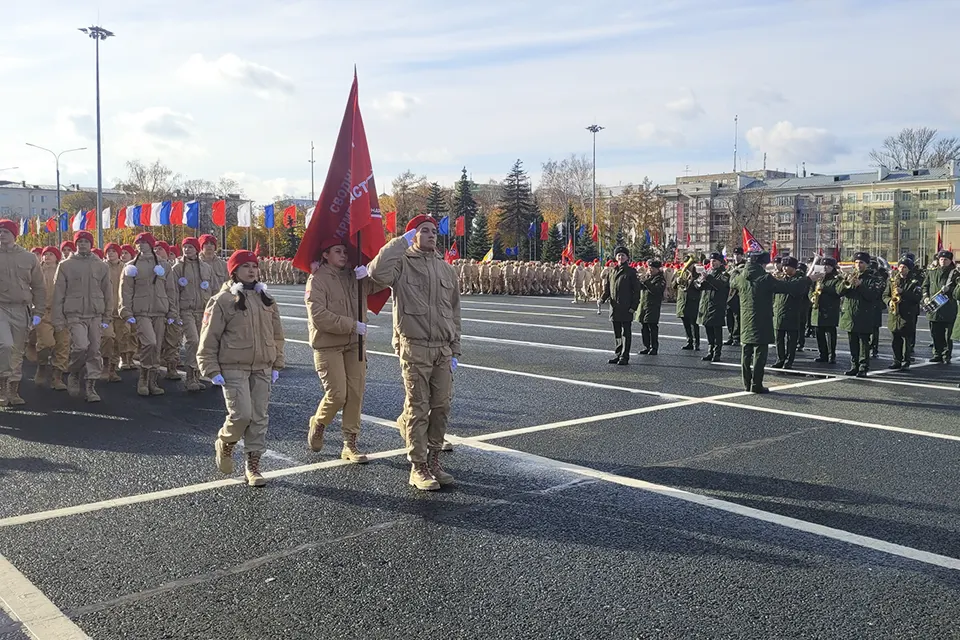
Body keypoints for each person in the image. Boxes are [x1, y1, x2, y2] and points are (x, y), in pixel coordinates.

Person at [368, 215, 461, 491]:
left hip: (442, 349)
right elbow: (376, 273)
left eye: (433, 231)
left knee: (441, 406)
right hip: (415, 345)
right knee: (419, 407)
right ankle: (417, 466)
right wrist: (400, 243)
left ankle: (433, 459)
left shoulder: (446, 270)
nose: (432, 235)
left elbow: (454, 312)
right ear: (412, 235)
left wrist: (455, 349)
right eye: (424, 231)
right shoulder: (401, 264)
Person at [198, 250, 285, 487]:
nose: (251, 270)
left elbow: (277, 335)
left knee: (259, 417)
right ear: (234, 270)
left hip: (262, 367)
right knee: (241, 414)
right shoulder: (222, 300)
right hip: (233, 366)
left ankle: (253, 466)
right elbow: (209, 337)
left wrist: (277, 362)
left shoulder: (266, 298)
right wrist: (210, 368)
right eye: (245, 266)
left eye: (254, 266)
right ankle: (226, 442)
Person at [305, 239, 387, 462]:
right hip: (328, 344)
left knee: (355, 393)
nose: (343, 255)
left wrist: (368, 274)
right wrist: (351, 324)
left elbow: (381, 283)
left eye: (344, 251)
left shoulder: (354, 276)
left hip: (354, 344)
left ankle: (350, 444)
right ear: (325, 255)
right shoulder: (318, 279)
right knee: (337, 394)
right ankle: (320, 422)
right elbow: (318, 316)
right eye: (337, 251)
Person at [51, 230, 113, 402]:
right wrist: (57, 320)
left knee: (94, 350)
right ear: (75, 244)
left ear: (91, 244)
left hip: (95, 314)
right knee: (80, 346)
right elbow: (58, 295)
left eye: (86, 241)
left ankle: (90, 387)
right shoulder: (65, 265)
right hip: (75, 314)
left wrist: (107, 316)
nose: (83, 244)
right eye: (80, 242)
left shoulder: (101, 265)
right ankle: (74, 372)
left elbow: (108, 293)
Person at [119, 232, 178, 396]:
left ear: (151, 244)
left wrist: (173, 311)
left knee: (157, 346)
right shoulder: (131, 266)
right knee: (149, 343)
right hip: (141, 311)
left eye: (144, 242)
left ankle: (153, 381)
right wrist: (126, 310)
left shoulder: (164, 266)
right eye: (138, 242)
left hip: (160, 311)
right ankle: (143, 378)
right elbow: (125, 291)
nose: (141, 245)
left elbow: (171, 291)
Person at [730, 251, 792, 393]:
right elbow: (786, 287)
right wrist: (807, 280)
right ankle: (756, 384)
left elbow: (731, 281)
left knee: (746, 353)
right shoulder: (765, 278)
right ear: (763, 264)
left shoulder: (740, 278)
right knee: (759, 354)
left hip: (745, 321)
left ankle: (746, 384)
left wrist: (736, 270)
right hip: (762, 321)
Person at [0, 220, 45, 406]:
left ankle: (13, 390)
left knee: (18, 351)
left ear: (14, 234)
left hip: (22, 309)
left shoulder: (29, 257)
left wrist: (38, 311)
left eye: (5, 231)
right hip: (1, 307)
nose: (1, 234)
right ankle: (2, 385)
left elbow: (39, 286)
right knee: (5, 345)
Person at [171, 237, 214, 392]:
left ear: (197, 249)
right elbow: (173, 292)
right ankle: (190, 377)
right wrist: (175, 313)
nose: (187, 249)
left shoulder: (206, 267)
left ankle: (196, 375)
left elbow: (212, 289)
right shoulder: (177, 268)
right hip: (186, 310)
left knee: (202, 343)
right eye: (185, 247)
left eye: (190, 247)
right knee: (193, 341)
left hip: (202, 310)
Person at [838, 251, 885, 377]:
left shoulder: (874, 278)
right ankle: (854, 365)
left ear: (867, 264)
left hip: (864, 314)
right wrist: (845, 283)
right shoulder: (851, 275)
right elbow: (838, 292)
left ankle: (863, 367)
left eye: (861, 263)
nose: (858, 265)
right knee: (852, 341)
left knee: (863, 342)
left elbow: (873, 295)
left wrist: (860, 285)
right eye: (856, 262)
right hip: (850, 314)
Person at [34, 246, 70, 391]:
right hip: (43, 312)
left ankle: (57, 377)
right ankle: (42, 365)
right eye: (45, 254)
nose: (47, 257)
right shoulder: (36, 271)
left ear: (57, 257)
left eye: (51, 254)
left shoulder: (64, 271)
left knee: (62, 346)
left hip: (62, 313)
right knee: (46, 343)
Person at [599, 247, 640, 365]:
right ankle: (618, 353)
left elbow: (636, 291)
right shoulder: (612, 271)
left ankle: (625, 356)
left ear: (627, 257)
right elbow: (607, 289)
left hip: (626, 307)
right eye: (618, 255)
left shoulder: (631, 272)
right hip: (615, 307)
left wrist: (634, 307)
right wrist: (602, 298)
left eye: (623, 255)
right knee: (617, 332)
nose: (620, 257)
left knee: (626, 332)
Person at [884, 256, 923, 370]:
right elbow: (885, 295)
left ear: (909, 269)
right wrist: (889, 301)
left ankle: (906, 360)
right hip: (894, 313)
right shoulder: (892, 280)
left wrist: (903, 292)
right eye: (900, 266)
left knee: (907, 338)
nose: (901, 269)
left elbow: (917, 297)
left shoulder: (915, 281)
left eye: (904, 267)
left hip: (908, 313)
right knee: (895, 338)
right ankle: (896, 360)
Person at [772, 257, 808, 370]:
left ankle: (789, 360)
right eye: (783, 266)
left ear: (794, 267)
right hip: (778, 311)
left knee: (791, 340)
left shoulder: (800, 279)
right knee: (778, 338)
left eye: (788, 266)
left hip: (793, 312)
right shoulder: (780, 278)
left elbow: (799, 291)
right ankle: (780, 359)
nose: (785, 269)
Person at [922, 250, 958, 363]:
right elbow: (925, 285)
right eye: (941, 259)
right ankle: (937, 353)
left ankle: (946, 355)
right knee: (935, 333)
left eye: (945, 259)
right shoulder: (932, 271)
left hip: (948, 307)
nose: (943, 261)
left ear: (950, 260)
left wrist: (950, 290)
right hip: (934, 307)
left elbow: (958, 291)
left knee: (948, 335)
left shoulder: (955, 273)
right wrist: (926, 297)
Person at [695, 252, 730, 362]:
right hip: (705, 305)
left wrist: (708, 278)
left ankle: (717, 353)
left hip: (716, 305)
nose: (712, 263)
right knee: (708, 328)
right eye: (711, 261)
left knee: (716, 330)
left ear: (720, 262)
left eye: (714, 261)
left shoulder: (724, 274)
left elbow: (720, 286)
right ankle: (710, 351)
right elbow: (697, 286)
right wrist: (699, 282)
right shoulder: (708, 272)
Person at [99, 242, 126, 383]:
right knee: (107, 337)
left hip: (121, 311)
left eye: (113, 251)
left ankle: (113, 369)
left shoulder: (126, 268)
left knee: (119, 341)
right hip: (105, 312)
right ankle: (105, 365)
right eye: (108, 251)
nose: (110, 253)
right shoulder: (101, 267)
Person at [810, 258, 841, 364]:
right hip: (817, 308)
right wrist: (811, 297)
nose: (825, 267)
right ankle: (822, 354)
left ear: (832, 268)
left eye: (828, 266)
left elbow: (838, 291)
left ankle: (832, 355)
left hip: (830, 309)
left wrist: (824, 288)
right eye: (824, 265)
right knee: (819, 333)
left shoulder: (836, 279)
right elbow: (810, 288)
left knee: (830, 333)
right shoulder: (818, 277)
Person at [635, 260, 665, 355]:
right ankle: (646, 346)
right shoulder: (647, 277)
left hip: (653, 306)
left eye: (652, 268)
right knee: (644, 327)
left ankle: (654, 347)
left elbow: (656, 291)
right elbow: (639, 288)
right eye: (649, 268)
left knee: (652, 327)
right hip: (643, 305)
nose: (650, 270)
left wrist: (646, 282)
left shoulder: (660, 279)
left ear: (657, 269)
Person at [674, 257, 701, 350]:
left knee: (694, 323)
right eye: (686, 264)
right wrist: (677, 281)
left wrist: (693, 279)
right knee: (685, 323)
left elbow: (699, 287)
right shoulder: (681, 273)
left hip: (692, 301)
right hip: (682, 301)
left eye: (689, 264)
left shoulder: (697, 275)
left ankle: (696, 343)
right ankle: (689, 341)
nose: (687, 266)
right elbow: (673, 286)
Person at [725, 248, 746, 346]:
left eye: (738, 254)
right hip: (729, 294)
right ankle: (730, 335)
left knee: (737, 316)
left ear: (742, 255)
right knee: (729, 316)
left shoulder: (745, 266)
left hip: (738, 294)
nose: (736, 256)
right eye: (735, 254)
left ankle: (737, 337)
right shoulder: (730, 267)